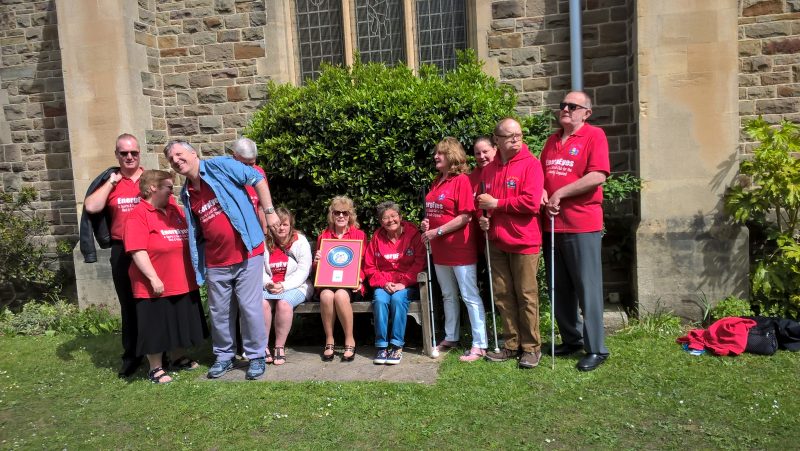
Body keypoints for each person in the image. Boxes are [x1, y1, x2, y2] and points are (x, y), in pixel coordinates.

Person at [165, 140, 279, 380]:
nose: (176, 161)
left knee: (249, 308)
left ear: (193, 153)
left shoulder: (220, 166)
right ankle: (224, 357)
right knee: (220, 312)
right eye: (171, 159)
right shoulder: (186, 193)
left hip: (248, 251)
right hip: (216, 260)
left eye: (179, 154)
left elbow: (257, 178)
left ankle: (256, 356)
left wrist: (269, 212)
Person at [541, 91, 611, 372]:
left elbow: (598, 175)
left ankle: (596, 348)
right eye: (563, 105)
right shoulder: (551, 140)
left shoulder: (594, 136)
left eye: (572, 106)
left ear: (586, 112)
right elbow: (542, 174)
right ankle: (572, 339)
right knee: (560, 288)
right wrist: (544, 193)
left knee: (587, 288)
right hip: (552, 225)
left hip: (582, 224)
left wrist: (560, 193)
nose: (565, 109)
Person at [123, 170, 209, 384]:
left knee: (179, 321)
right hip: (155, 284)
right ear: (153, 187)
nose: (173, 191)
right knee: (156, 326)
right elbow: (137, 250)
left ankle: (177, 357)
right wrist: (153, 278)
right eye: (169, 187)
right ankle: (155, 367)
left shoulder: (175, 211)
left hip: (182, 280)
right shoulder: (138, 214)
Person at [477, 118, 545, 369]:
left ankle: (531, 347)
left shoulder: (531, 165)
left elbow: (530, 203)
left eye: (519, 134)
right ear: (497, 140)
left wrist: (498, 205)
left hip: (524, 241)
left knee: (526, 295)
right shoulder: (489, 169)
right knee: (503, 295)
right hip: (496, 240)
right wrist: (483, 219)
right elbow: (481, 201)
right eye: (510, 135)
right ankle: (511, 344)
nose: (516, 139)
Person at [82, 133, 145, 377]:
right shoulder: (111, 181)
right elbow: (91, 207)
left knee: (152, 302)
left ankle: (159, 351)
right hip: (122, 250)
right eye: (124, 153)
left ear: (140, 153)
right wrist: (111, 183)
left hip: (149, 249)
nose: (129, 157)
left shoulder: (149, 178)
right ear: (117, 155)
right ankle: (132, 355)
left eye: (134, 153)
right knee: (128, 305)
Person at [421, 137, 488, 362]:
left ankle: (480, 344)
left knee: (469, 295)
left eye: (440, 153)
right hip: (440, 251)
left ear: (452, 156)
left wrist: (437, 232)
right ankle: (451, 336)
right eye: (436, 153)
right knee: (448, 295)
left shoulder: (461, 181)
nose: (435, 157)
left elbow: (465, 216)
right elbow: (436, 212)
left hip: (460, 249)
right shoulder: (436, 181)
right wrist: (427, 224)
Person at [364, 201, 425, 365]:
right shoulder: (376, 238)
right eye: (385, 218)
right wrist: (384, 283)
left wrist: (403, 283)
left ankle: (397, 345)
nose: (390, 220)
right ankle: (382, 346)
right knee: (380, 299)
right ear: (380, 222)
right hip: (384, 284)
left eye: (393, 216)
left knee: (398, 299)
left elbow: (420, 263)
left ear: (400, 217)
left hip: (407, 284)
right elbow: (369, 267)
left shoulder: (414, 235)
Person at [314, 196, 367, 362]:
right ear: (332, 215)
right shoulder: (324, 237)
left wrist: (360, 278)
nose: (341, 216)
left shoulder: (359, 235)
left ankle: (349, 339)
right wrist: (316, 262)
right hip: (328, 283)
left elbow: (365, 263)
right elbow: (319, 270)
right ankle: (329, 339)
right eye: (337, 212)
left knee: (341, 295)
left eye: (345, 213)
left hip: (352, 285)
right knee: (326, 295)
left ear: (350, 215)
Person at [262, 207, 313, 365]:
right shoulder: (265, 243)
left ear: (291, 225)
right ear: (271, 226)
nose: (281, 228)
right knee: (261, 304)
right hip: (270, 286)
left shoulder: (300, 241)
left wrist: (284, 286)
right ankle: (262, 347)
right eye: (277, 225)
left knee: (284, 304)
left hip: (297, 286)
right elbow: (260, 270)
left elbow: (304, 270)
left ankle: (279, 346)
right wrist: (267, 283)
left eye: (285, 224)